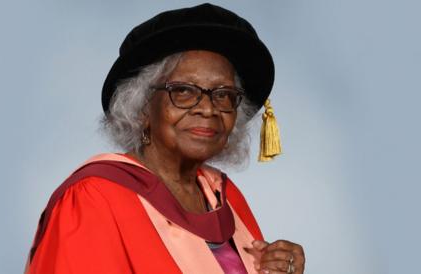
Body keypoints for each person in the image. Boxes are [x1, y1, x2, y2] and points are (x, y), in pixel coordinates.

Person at [26, 3, 305, 274]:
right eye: (183, 91)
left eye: (223, 95)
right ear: (143, 107)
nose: (208, 109)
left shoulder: (223, 195)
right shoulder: (93, 200)